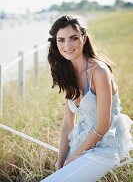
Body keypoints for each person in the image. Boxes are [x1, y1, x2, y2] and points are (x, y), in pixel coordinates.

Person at [41, 15, 133, 182]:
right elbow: (68, 125)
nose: (67, 45)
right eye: (61, 40)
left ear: (83, 38)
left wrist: (74, 157)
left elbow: (103, 125)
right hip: (80, 144)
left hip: (104, 148)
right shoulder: (67, 72)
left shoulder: (99, 71)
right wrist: (60, 162)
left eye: (73, 38)